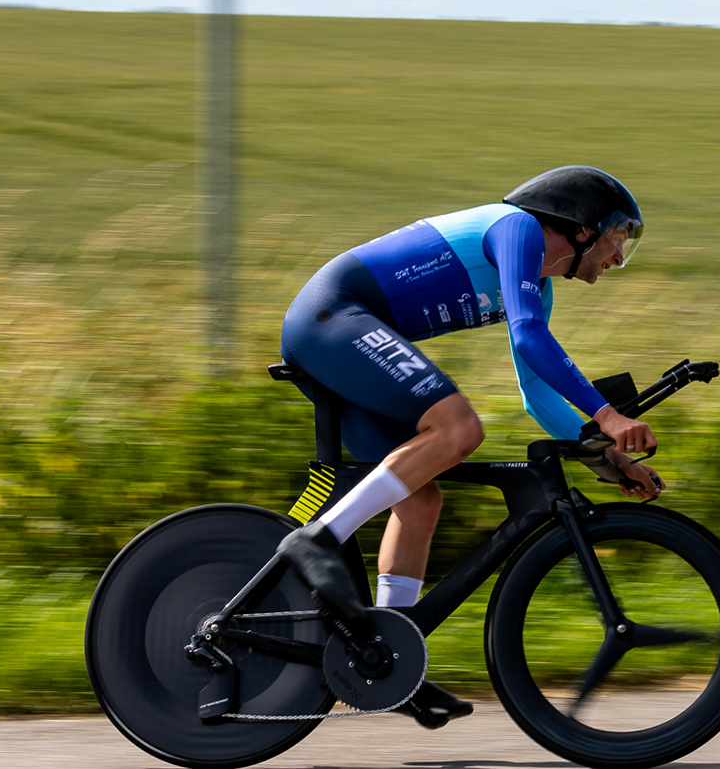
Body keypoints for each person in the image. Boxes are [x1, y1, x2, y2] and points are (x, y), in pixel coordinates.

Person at [274, 166, 663, 628]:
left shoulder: (538, 287)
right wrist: (607, 415)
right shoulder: (517, 228)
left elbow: (536, 393)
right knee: (458, 429)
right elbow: (528, 336)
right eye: (617, 238)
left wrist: (610, 458)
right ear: (583, 229)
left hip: (341, 334)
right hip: (331, 316)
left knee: (421, 500)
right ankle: (317, 540)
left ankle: (390, 644)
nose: (618, 256)